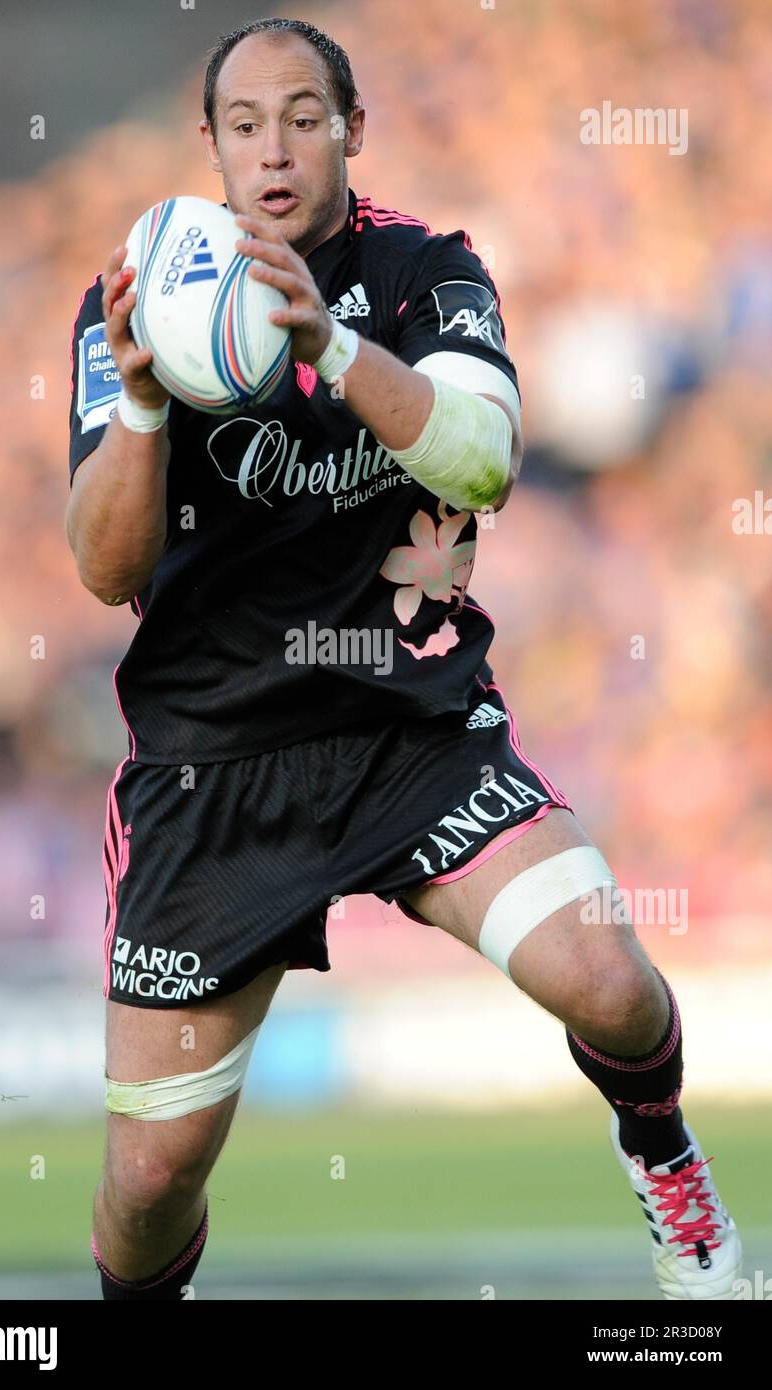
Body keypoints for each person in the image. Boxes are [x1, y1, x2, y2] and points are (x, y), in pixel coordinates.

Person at [67, 16, 741, 1301]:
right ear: (209, 145)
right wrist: (148, 402)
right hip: (213, 775)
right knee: (147, 1187)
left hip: (411, 734)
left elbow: (481, 455)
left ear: (351, 130)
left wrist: (327, 344)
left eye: (303, 117)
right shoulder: (134, 302)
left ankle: (664, 1163)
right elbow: (104, 570)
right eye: (245, 124)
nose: (274, 150)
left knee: (610, 979)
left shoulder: (429, 270)